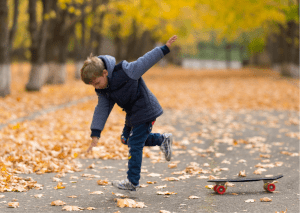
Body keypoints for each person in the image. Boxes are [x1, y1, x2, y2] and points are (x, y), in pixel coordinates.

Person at [81, 35, 178, 191]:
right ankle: (162, 139)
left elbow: (145, 61)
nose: (96, 87)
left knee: (134, 143)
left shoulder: (126, 71)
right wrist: (95, 133)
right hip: (133, 113)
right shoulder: (104, 90)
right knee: (126, 139)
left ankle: (132, 182)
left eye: (97, 82)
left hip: (145, 109)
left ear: (105, 72)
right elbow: (102, 109)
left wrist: (164, 48)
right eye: (92, 85)